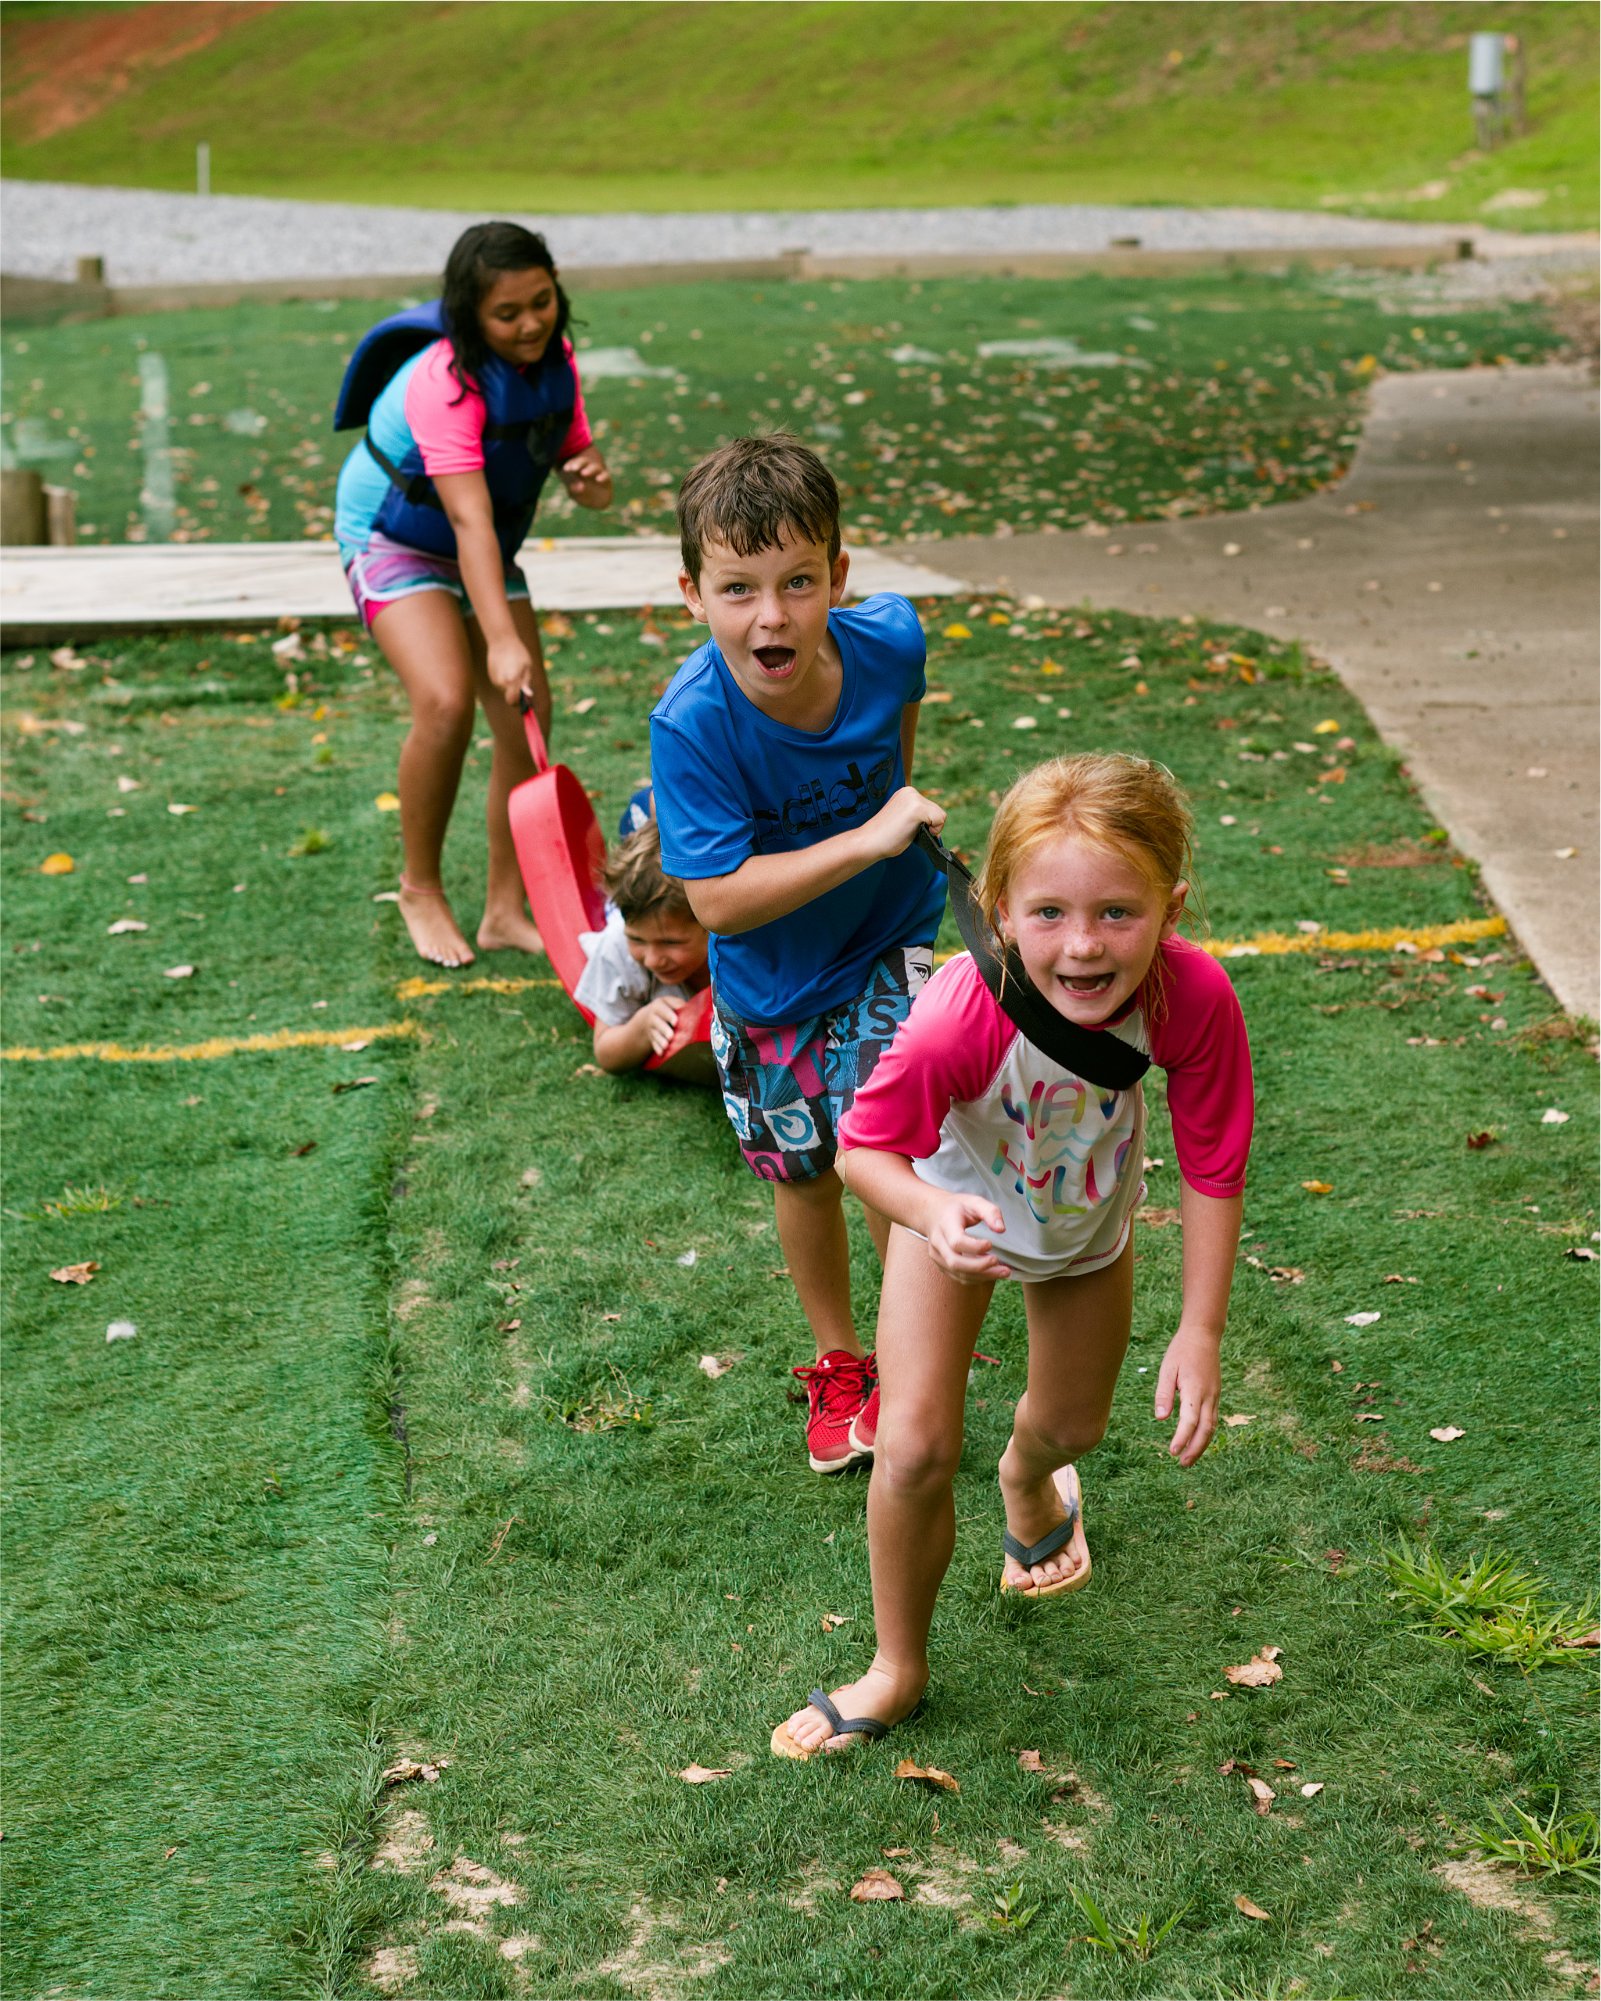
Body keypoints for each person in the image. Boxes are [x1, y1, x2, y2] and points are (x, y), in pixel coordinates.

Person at [770, 753, 1253, 1757]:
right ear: (995, 907)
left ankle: (1029, 1480)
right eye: (1046, 915)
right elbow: (862, 1152)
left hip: (1082, 1235)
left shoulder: (1190, 998)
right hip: (948, 1230)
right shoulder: (958, 1012)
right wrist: (930, 1214)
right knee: (908, 1449)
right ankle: (896, 1667)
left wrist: (1199, 1327)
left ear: (1172, 906)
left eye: (1117, 913)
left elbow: (1212, 1164)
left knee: (1071, 1422)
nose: (1081, 947)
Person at [649, 434, 947, 1474]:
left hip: (888, 940)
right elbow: (720, 903)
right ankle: (840, 1365)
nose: (768, 616)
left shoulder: (890, 642)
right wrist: (865, 837)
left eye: (795, 582)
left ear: (837, 577)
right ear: (692, 593)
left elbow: (894, 756)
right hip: (767, 982)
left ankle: (915, 1374)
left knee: (882, 1152)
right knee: (804, 1170)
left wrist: (887, 836)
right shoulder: (690, 726)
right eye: (736, 588)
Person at [333, 221, 612, 969]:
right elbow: (466, 516)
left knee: (527, 712)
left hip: (480, 540)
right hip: (392, 534)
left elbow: (577, 463)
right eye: (507, 314)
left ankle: (502, 909)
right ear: (468, 316)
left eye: (541, 302)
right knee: (447, 699)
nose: (530, 325)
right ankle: (420, 888)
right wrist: (502, 637)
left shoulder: (557, 361)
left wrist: (591, 480)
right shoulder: (442, 383)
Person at [576, 821, 715, 1085]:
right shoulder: (617, 950)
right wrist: (640, 1026)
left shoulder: (738, 939)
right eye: (637, 939)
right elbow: (605, 1052)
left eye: (670, 943)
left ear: (711, 924)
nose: (652, 959)